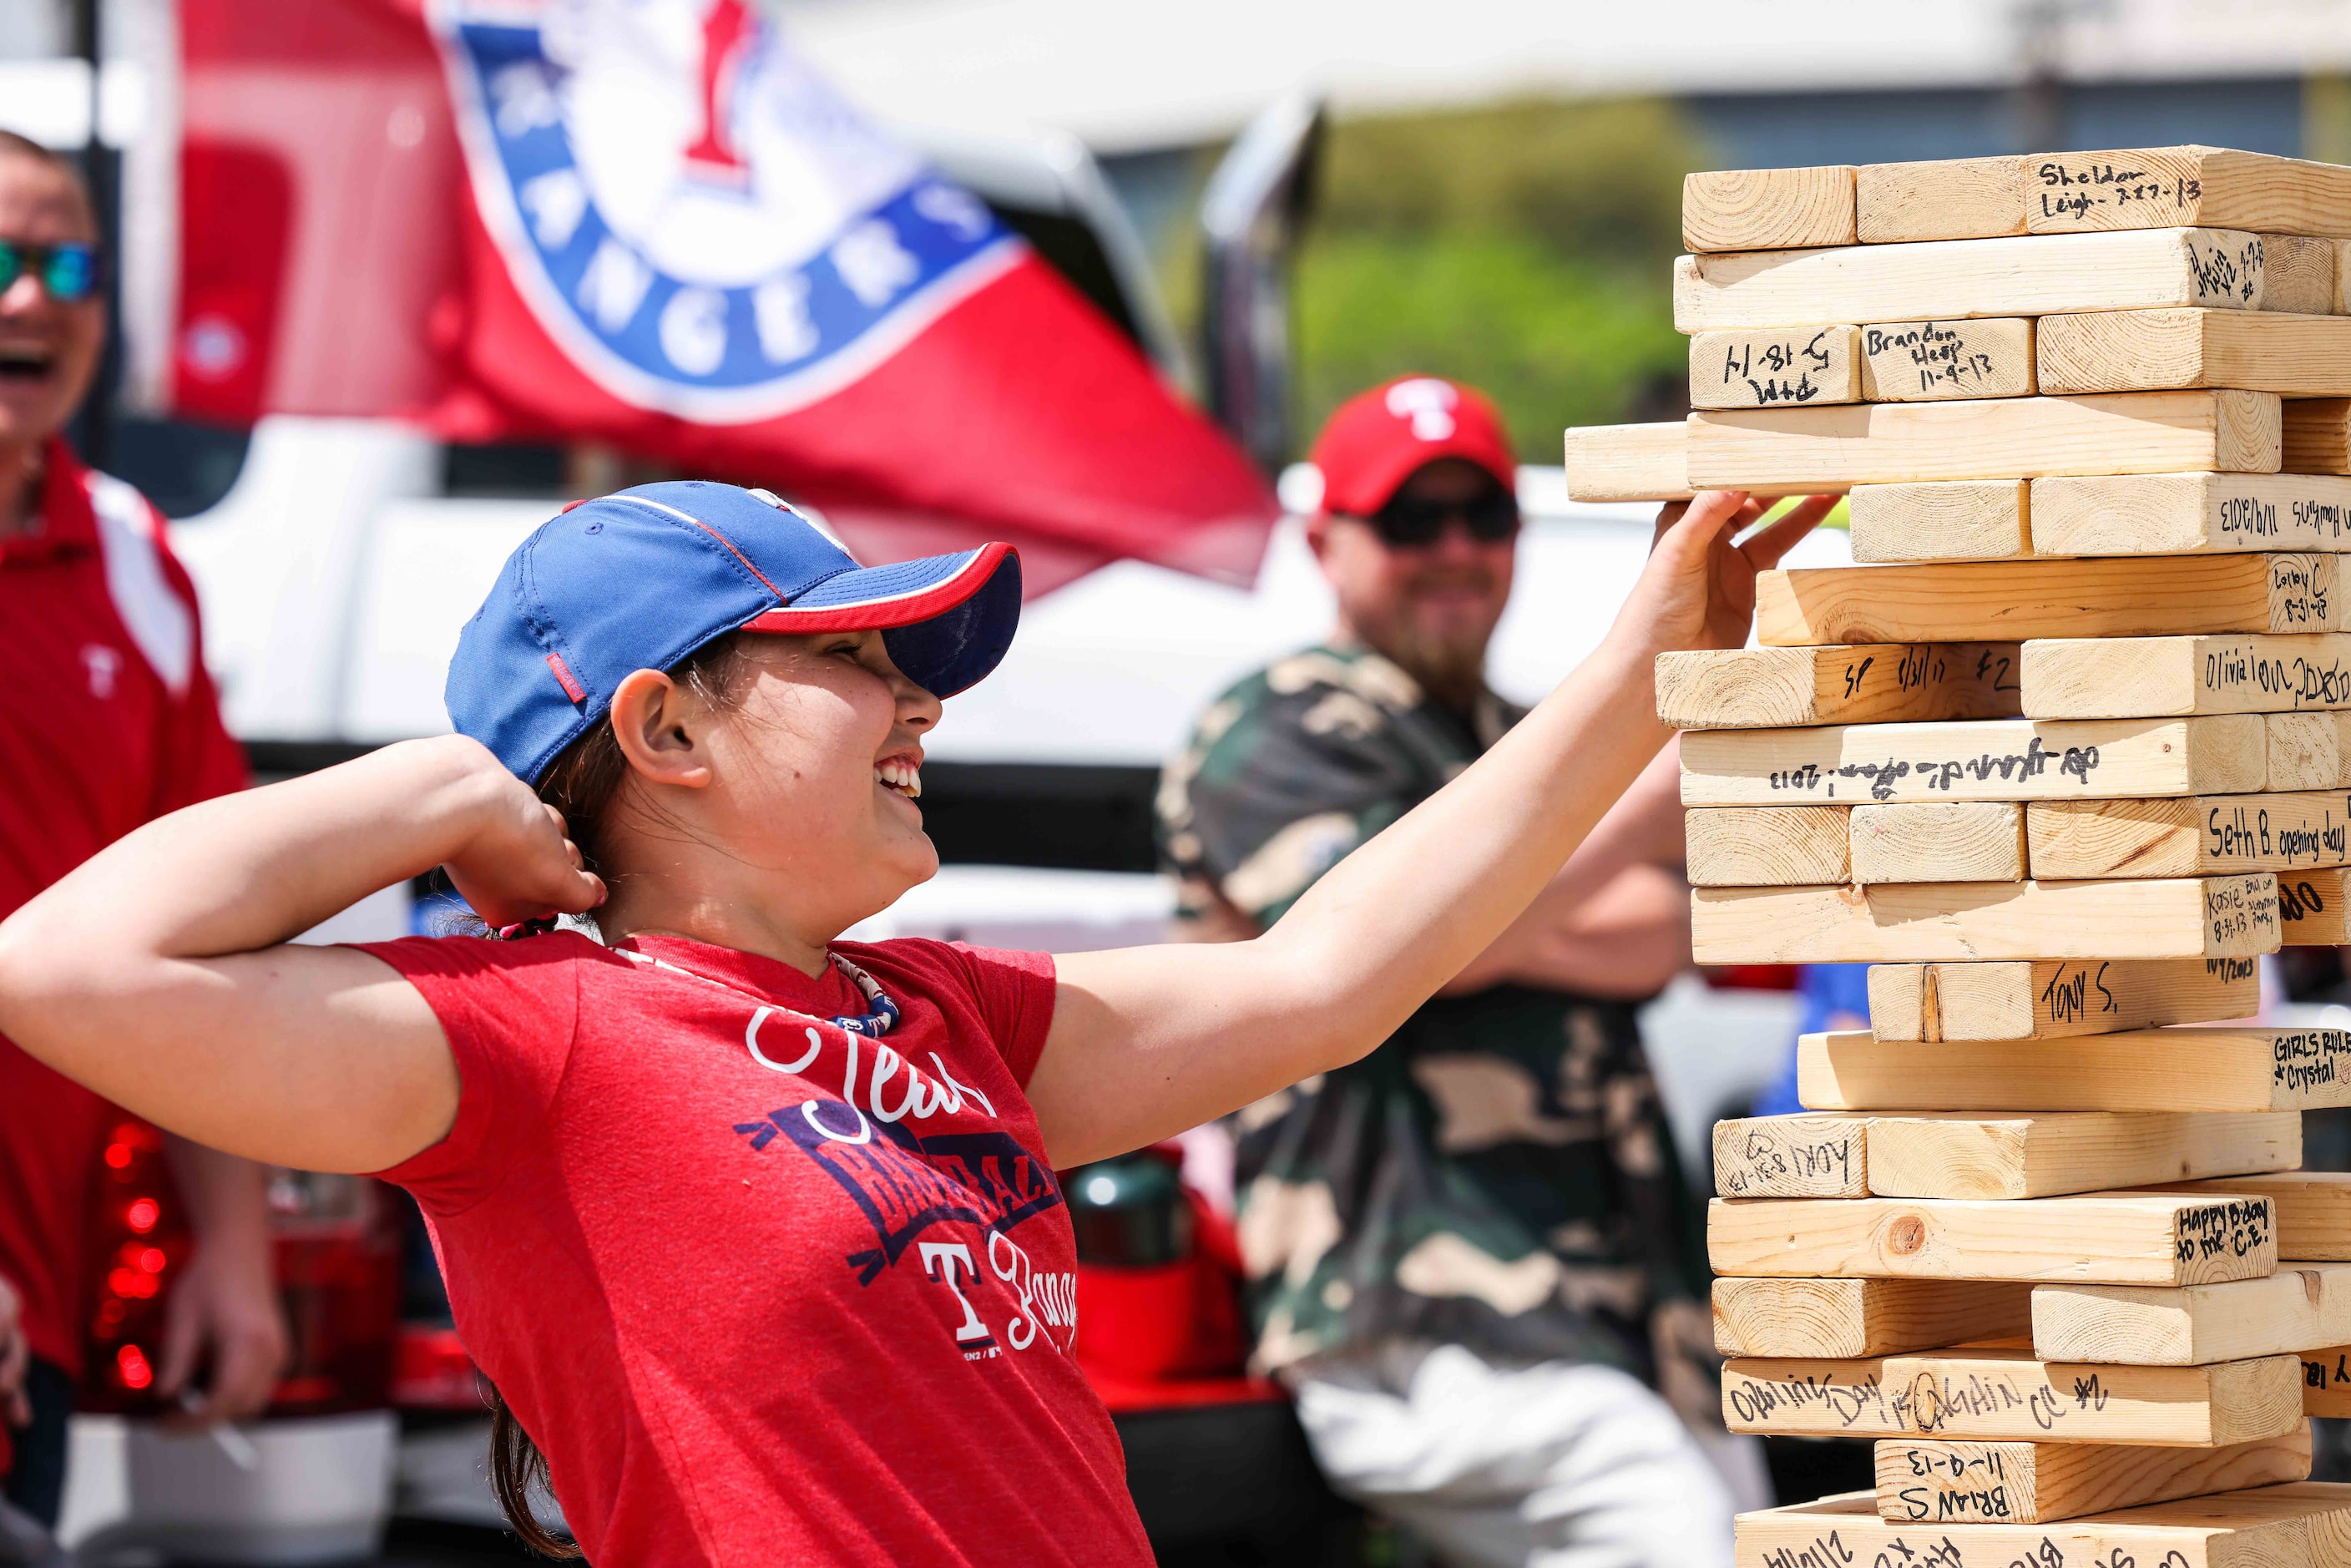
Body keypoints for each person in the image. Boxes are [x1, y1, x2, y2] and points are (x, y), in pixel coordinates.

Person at [0, 466, 1830, 1564]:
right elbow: (63, 969)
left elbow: (1322, 979)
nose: (917, 706)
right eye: (855, 659)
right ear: (664, 731)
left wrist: (1642, 660)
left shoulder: (951, 1014)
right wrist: (441, 790)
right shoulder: (531, 1035)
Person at [1158, 376, 1735, 1567]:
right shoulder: (1275, 726)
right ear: (1325, 540)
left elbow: (1661, 932)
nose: (1456, 550)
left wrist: (1480, 914)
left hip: (1621, 1306)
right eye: (1412, 520)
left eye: (1484, 515)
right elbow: (1364, 957)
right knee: (1683, 1534)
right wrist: (1636, 803)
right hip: (1406, 1308)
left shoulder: (1522, 737)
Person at [0, 131, 286, 1525]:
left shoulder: (132, 559)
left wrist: (234, 1245)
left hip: (32, 1311)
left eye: (69, 267)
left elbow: (211, 922)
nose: (31, 301)